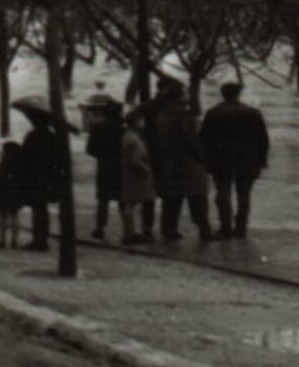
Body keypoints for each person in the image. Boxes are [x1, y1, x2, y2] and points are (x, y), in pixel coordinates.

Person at [200, 81, 270, 239]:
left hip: (221, 161)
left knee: (223, 193)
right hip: (248, 161)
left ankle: (225, 227)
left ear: (222, 94)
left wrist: (206, 161)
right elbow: (263, 139)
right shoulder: (253, 113)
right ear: (239, 94)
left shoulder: (213, 113)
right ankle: (241, 228)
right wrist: (262, 160)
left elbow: (205, 139)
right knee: (244, 195)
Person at [152, 80, 214, 242]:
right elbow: (191, 139)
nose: (189, 95)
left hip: (169, 161)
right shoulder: (184, 115)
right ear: (178, 97)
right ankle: (204, 230)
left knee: (172, 197)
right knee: (198, 196)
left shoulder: (163, 114)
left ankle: (169, 229)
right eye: (186, 93)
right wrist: (204, 157)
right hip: (188, 162)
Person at [16, 114, 61, 250]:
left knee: (37, 209)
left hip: (34, 177)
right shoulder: (52, 137)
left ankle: (38, 239)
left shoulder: (32, 136)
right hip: (48, 177)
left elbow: (24, 157)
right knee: (43, 209)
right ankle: (43, 239)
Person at [85, 99, 124, 241]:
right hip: (120, 166)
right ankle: (127, 228)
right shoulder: (123, 130)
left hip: (105, 166)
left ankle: (100, 228)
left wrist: (102, 155)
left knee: (103, 200)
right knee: (122, 199)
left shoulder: (97, 128)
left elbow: (90, 149)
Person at [120, 106, 156, 246]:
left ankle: (130, 231)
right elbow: (134, 159)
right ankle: (130, 232)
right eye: (141, 121)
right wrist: (146, 169)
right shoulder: (132, 138)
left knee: (132, 203)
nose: (143, 123)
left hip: (133, 174)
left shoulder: (130, 136)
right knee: (132, 203)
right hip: (136, 175)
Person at [0, 140, 26, 249]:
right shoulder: (20, 164)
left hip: (3, 194)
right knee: (14, 217)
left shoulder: (3, 164)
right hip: (16, 194)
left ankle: (2, 240)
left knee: (3, 218)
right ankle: (14, 241)